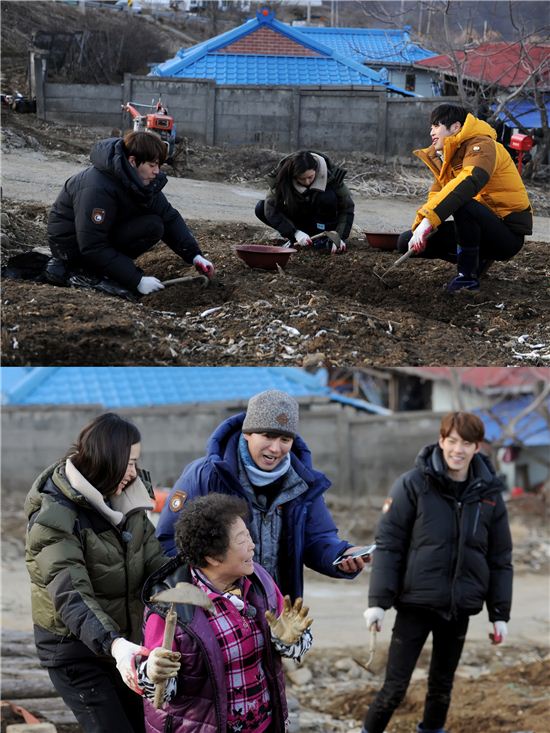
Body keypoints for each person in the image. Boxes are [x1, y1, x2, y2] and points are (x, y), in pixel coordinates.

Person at [361, 411, 513, 733]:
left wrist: (499, 614)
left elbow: (500, 558)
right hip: (415, 605)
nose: (458, 450)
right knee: (395, 689)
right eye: (452, 441)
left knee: (442, 688)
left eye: (466, 443)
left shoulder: (489, 495)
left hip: (458, 609)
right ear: (442, 441)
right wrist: (379, 603)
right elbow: (389, 545)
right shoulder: (413, 484)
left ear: (477, 447)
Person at [24, 412, 168, 733]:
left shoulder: (128, 500)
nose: (134, 473)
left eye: (136, 462)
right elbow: (70, 594)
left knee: (144, 725)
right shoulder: (54, 515)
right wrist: (115, 644)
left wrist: (193, 589)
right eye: (129, 462)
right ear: (107, 460)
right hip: (76, 651)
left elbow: (155, 562)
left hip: (125, 645)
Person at [156, 389, 368, 601]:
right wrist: (211, 584)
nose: (276, 448)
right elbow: (170, 541)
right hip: (220, 610)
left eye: (285, 439)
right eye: (268, 436)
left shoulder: (302, 482)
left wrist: (341, 555)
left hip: (278, 610)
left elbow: (318, 538)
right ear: (248, 432)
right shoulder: (207, 475)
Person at [138, 493, 313, 732]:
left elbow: (293, 644)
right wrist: (154, 672)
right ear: (213, 557)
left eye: (249, 536)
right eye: (242, 540)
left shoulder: (259, 581)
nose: (252, 545)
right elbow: (159, 693)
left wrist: (290, 640)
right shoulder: (169, 604)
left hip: (264, 724)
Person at [45, 130, 215, 297]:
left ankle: (109, 269)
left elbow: (169, 217)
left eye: (159, 165)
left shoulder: (141, 182)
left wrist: (195, 255)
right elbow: (91, 244)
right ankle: (92, 271)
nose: (157, 171)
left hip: (101, 237)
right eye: (152, 165)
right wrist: (136, 280)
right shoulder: (97, 187)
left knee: (153, 225)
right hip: (72, 248)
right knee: (100, 255)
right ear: (133, 161)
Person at [397, 103, 532, 292]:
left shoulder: (483, 146)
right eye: (431, 127)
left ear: (455, 127)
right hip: (479, 228)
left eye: (436, 126)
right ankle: (478, 259)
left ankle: (467, 277)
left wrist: (428, 221)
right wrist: (422, 226)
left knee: (464, 204)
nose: (431, 132)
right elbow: (437, 195)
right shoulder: (449, 157)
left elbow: (470, 180)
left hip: (506, 233)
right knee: (405, 241)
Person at [255, 150, 354, 253]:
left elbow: (347, 207)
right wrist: (295, 233)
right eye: (301, 179)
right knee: (261, 208)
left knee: (326, 197)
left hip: (324, 222)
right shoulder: (283, 177)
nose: (307, 182)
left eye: (310, 177)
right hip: (299, 221)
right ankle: (297, 239)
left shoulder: (332, 176)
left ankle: (323, 238)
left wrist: (339, 237)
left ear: (316, 169)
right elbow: (270, 208)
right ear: (293, 175)